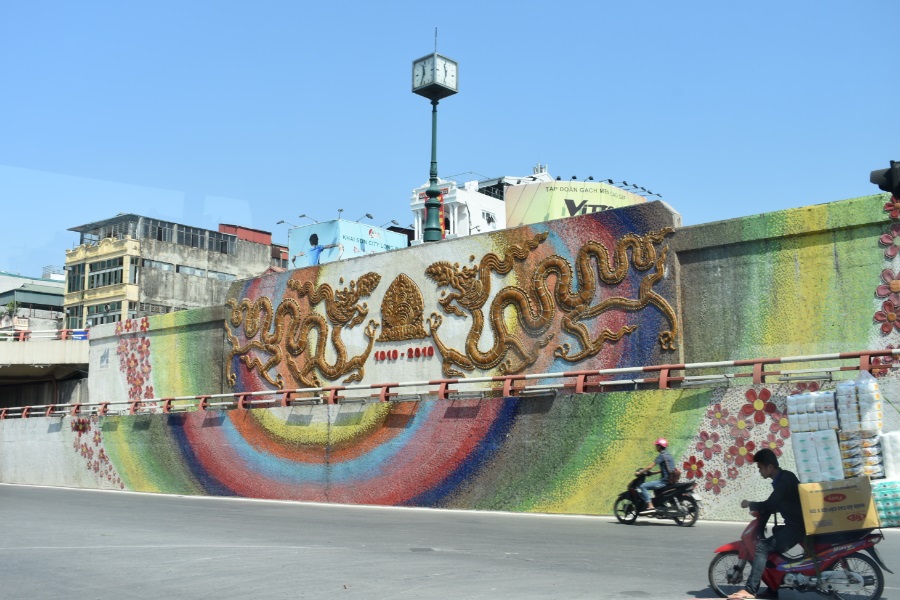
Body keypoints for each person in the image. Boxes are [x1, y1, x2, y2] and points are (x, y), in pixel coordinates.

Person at [727, 448, 805, 600]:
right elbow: (783, 502)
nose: (760, 471)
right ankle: (772, 589)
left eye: (760, 468)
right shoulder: (784, 477)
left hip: (796, 527)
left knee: (762, 548)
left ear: (770, 467)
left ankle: (750, 590)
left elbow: (770, 503)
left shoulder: (783, 481)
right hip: (796, 523)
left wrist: (750, 504)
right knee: (773, 538)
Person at [638, 438, 674, 510]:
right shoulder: (668, 455)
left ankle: (650, 505)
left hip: (664, 481)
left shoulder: (662, 455)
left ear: (660, 446)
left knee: (642, 486)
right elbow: (665, 469)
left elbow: (650, 466)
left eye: (657, 445)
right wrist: (653, 473)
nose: (656, 447)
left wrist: (640, 472)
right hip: (669, 480)